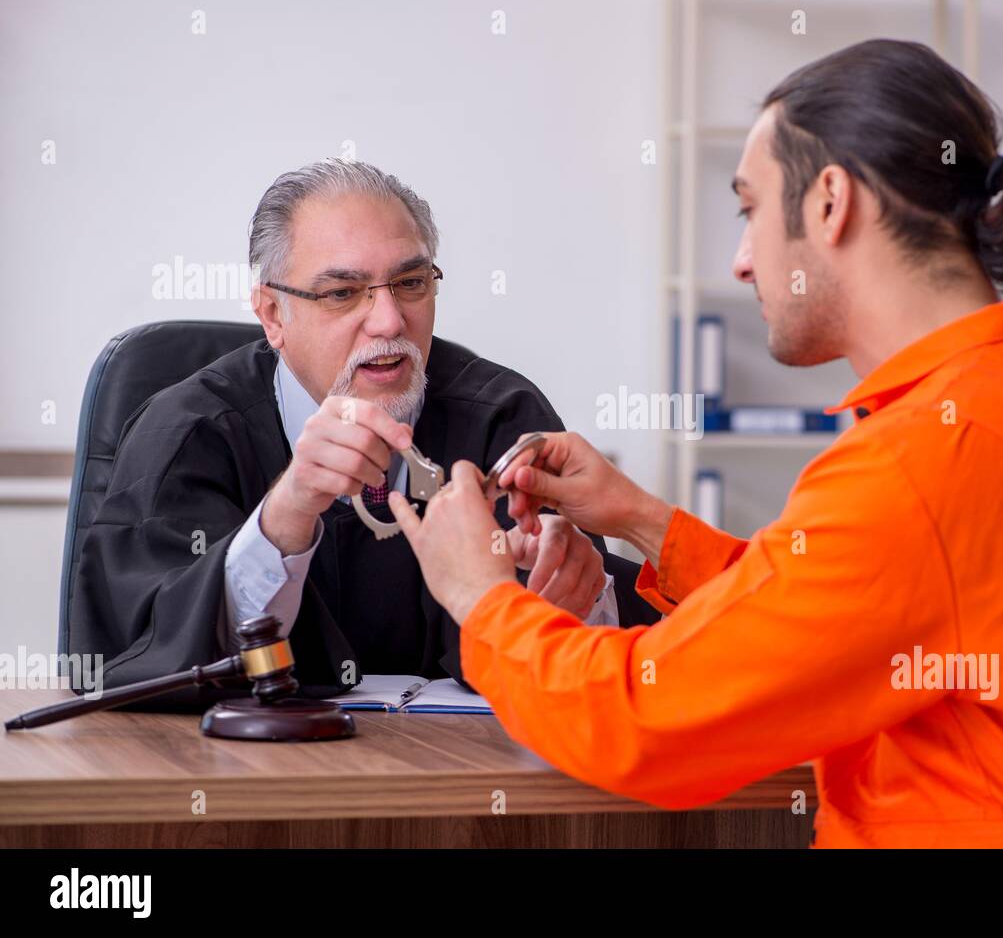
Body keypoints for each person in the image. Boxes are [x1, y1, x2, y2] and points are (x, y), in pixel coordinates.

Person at [384, 40, 1003, 847]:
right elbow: (838, 612)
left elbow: (646, 722)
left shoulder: (924, 459)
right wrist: (642, 518)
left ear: (832, 202)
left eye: (751, 210)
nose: (741, 262)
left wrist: (482, 596)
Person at [69, 159, 659, 709]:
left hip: (458, 789)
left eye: (410, 283)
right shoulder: (187, 433)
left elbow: (563, 648)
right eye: (341, 293)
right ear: (273, 315)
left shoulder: (501, 416)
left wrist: (579, 603)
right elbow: (142, 654)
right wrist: (287, 513)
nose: (388, 321)